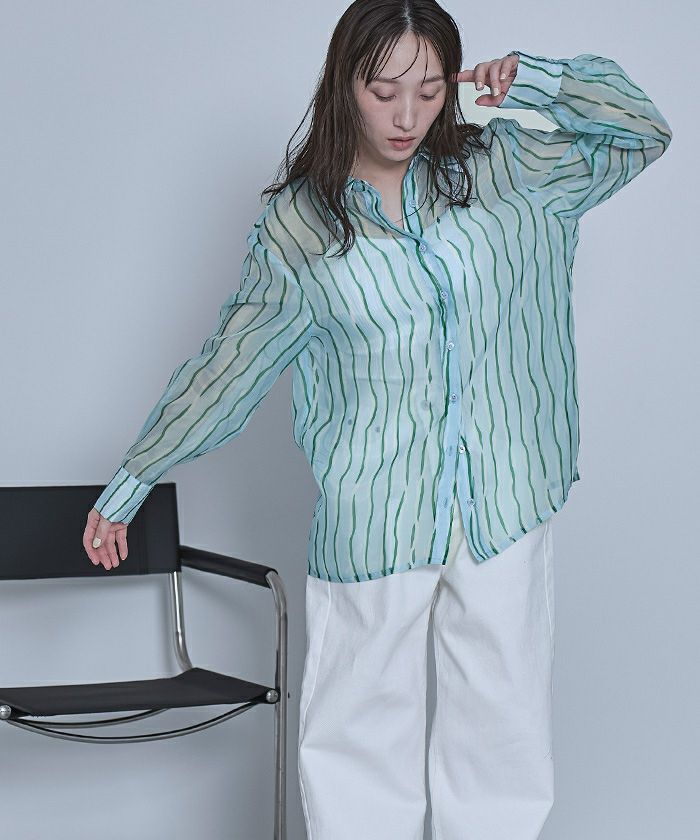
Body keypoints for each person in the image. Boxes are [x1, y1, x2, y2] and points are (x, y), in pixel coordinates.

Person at [83, 1, 672, 837]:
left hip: (508, 494)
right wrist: (134, 478)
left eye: (429, 91)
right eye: (383, 90)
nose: (406, 116)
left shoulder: (511, 169)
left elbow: (643, 133)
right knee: (357, 737)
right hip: (377, 511)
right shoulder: (301, 228)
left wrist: (538, 80)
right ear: (344, 84)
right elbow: (231, 364)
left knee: (501, 731)